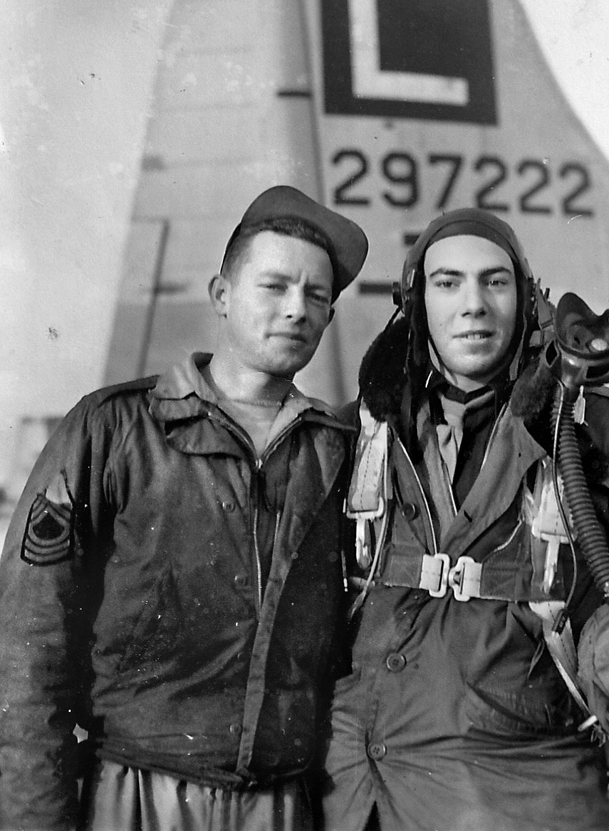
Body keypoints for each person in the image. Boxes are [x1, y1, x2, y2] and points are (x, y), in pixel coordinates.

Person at [319, 207, 609, 831]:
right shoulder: (354, 436)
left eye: (494, 282)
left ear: (528, 300)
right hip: (353, 791)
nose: (473, 305)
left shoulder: (602, 436)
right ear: (414, 303)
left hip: (517, 799)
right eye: (447, 283)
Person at [0, 185, 368, 831]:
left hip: (282, 806)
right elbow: (29, 653)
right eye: (274, 286)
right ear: (221, 296)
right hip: (134, 800)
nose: (296, 310)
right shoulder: (113, 431)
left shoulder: (339, 454)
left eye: (317, 297)